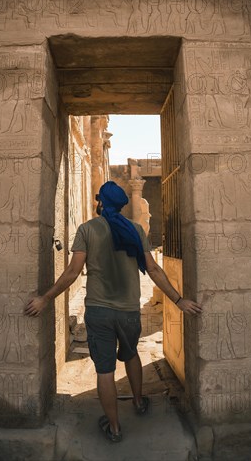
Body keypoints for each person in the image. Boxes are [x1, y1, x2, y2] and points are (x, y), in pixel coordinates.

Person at [25, 181, 202, 443]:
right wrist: (179, 300)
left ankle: (115, 427)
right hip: (129, 311)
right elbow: (153, 269)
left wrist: (44, 299)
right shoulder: (136, 229)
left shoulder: (87, 229)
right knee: (132, 355)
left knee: (105, 371)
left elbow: (73, 273)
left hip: (99, 312)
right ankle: (139, 402)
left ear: (101, 202)